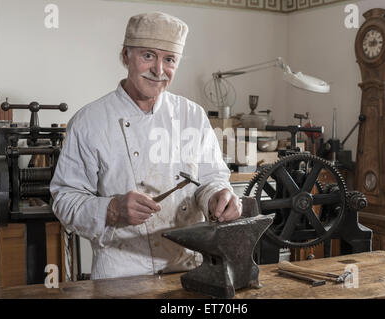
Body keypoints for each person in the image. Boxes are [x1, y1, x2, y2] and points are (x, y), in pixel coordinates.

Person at [50, 12, 242, 280]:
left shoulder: (192, 115)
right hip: (120, 275)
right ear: (126, 55)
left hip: (189, 270)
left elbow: (210, 179)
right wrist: (112, 209)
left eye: (169, 59)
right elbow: (65, 200)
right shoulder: (89, 122)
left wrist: (218, 198)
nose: (159, 70)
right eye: (148, 56)